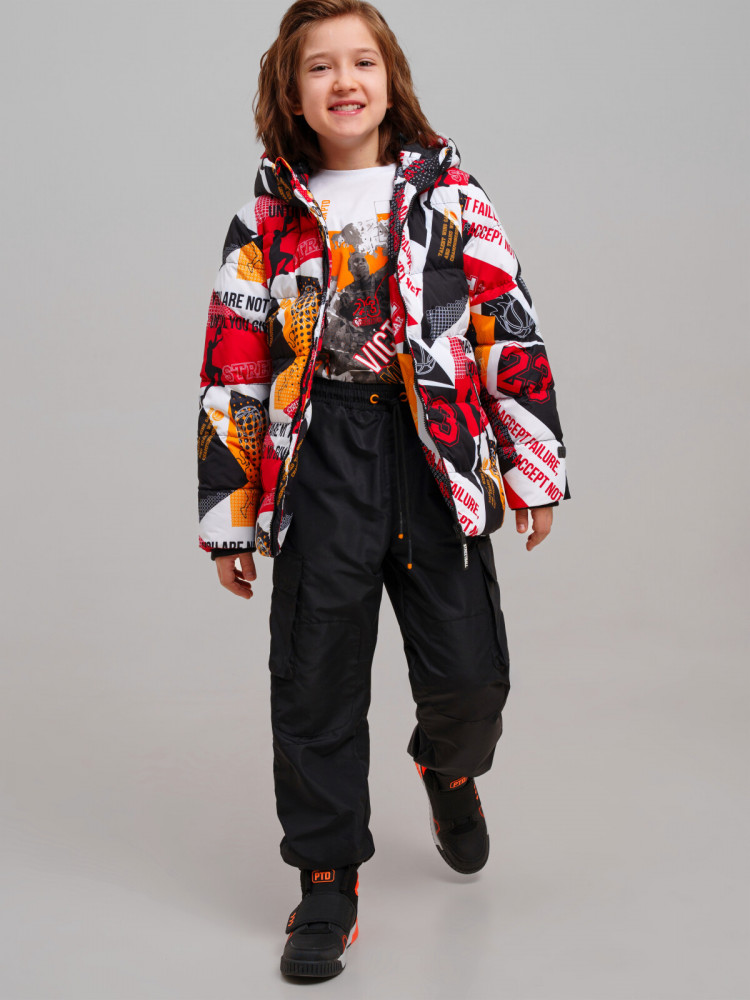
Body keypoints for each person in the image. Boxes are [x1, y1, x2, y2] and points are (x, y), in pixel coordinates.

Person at [197, 0, 569, 980]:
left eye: (362, 61)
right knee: (314, 675)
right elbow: (233, 368)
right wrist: (229, 517)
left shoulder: (451, 197)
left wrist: (531, 462)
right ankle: (326, 879)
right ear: (292, 92)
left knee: (472, 675)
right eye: (320, 66)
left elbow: (508, 325)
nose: (344, 81)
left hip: (434, 450)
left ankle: (448, 763)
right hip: (321, 456)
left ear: (391, 78)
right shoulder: (266, 219)